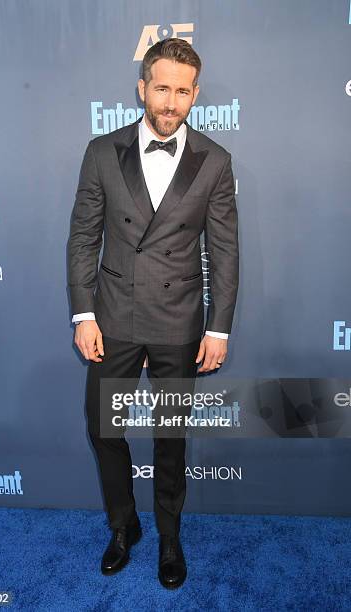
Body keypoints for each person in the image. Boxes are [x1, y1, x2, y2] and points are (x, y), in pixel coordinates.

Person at [67, 37, 239, 589]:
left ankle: (169, 534)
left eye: (182, 92)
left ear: (195, 95)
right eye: (161, 88)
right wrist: (83, 315)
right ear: (142, 88)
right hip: (113, 317)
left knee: (170, 436)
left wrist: (218, 326)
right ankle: (124, 525)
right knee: (105, 428)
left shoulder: (215, 161)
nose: (171, 102)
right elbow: (82, 238)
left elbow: (225, 251)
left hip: (178, 320)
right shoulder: (101, 151)